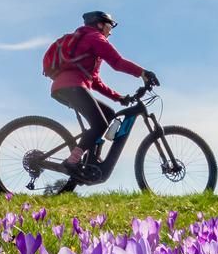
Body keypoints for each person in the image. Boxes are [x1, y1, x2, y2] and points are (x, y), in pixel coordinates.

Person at [50, 11, 159, 172]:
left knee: (108, 114)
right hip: (73, 87)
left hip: (64, 87)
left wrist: (118, 97)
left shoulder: (84, 41)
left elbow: (95, 81)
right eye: (110, 25)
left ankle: (90, 159)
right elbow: (117, 62)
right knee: (100, 124)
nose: (111, 31)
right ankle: (72, 162)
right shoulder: (95, 38)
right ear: (100, 24)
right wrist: (143, 73)